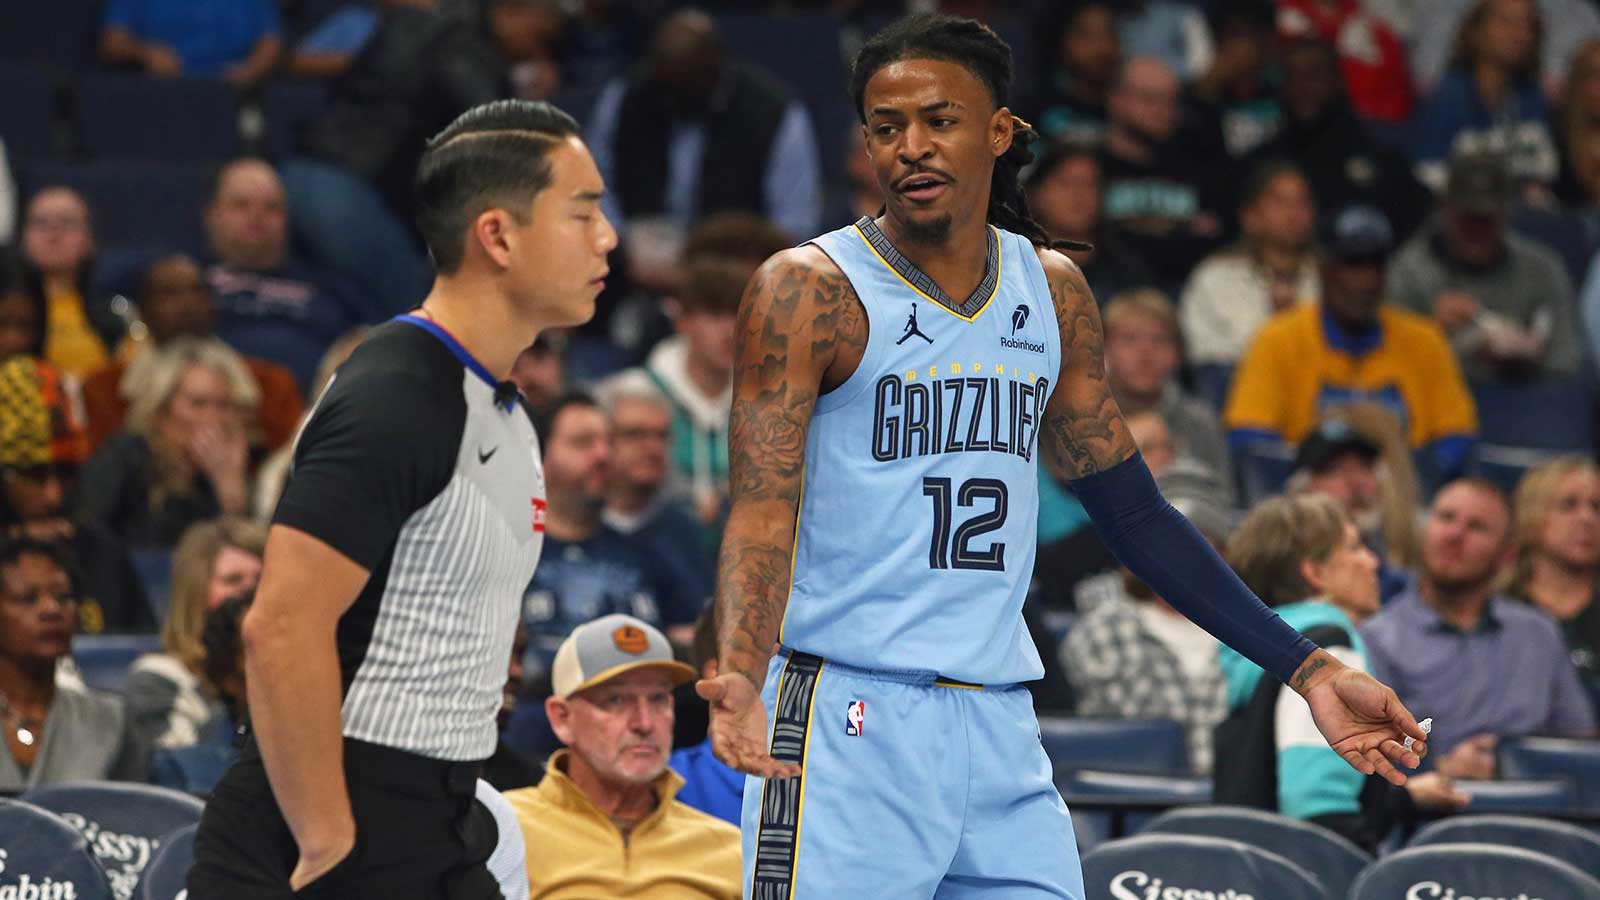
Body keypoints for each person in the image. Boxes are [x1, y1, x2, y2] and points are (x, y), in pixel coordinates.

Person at [697, 15, 1430, 898]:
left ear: (1000, 133)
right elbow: (762, 507)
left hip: (999, 717)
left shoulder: (1051, 291)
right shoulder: (809, 290)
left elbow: (1135, 514)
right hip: (849, 715)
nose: (912, 147)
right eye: (887, 128)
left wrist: (1305, 668)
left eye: (941, 120)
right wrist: (740, 673)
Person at [187, 99, 616, 900]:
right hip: (325, 826)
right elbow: (279, 625)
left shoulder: (506, 413)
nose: (609, 236)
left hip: (439, 818)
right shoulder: (397, 392)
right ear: (497, 235)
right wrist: (326, 834)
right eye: (583, 211)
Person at [1218, 494, 1469, 850]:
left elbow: (1270, 777)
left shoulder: (1259, 649)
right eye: (1354, 548)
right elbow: (1318, 807)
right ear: (1315, 572)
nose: (1373, 561)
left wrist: (1404, 799)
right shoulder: (1324, 648)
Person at [1224, 204, 1479, 481]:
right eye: (1353, 264)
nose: (1367, 279)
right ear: (1324, 268)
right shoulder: (1278, 339)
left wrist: (1411, 477)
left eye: (1376, 264)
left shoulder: (1424, 339)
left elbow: (1458, 433)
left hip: (1405, 501)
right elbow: (1249, 437)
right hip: (1307, 500)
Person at [1362, 479, 1597, 777]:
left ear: (1507, 555)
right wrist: (1442, 769)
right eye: (1446, 517)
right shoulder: (1376, 638)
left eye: (1477, 527)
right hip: (1427, 811)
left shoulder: (1539, 633)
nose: (1455, 534)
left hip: (1535, 806)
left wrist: (1514, 767)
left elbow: (1580, 744)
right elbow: (1370, 758)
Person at [505, 614, 738, 898]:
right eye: (615, 700)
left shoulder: (728, 850)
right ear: (561, 717)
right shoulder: (504, 830)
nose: (644, 723)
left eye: (657, 699)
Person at [586, 9, 823, 241]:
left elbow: (795, 224)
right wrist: (623, 241)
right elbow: (594, 185)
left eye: (687, 83)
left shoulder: (776, 113)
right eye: (668, 86)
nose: (674, 97)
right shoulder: (624, 99)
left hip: (734, 262)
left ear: (716, 67)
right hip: (637, 257)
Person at [520, 393, 697, 671]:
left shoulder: (649, 554)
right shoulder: (514, 551)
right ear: (540, 458)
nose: (603, 454)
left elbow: (692, 644)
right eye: (583, 442)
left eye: (608, 442)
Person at [1386, 151, 1581, 382]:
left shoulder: (1542, 268)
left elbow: (1568, 360)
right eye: (1469, 216)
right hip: (1443, 407)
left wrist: (1529, 359)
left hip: (1529, 404)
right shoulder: (1408, 272)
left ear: (1506, 214)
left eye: (1487, 218)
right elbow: (1392, 370)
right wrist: (1435, 333)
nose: (1477, 229)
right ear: (1445, 208)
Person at [81, 254, 304, 454]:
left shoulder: (271, 386)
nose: (186, 304)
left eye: (197, 291)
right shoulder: (105, 389)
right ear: (144, 310)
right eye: (169, 293)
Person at [203, 158, 374, 394]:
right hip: (211, 405)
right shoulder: (185, 282)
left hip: (314, 411)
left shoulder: (332, 288)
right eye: (241, 205)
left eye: (271, 207)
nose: (257, 216)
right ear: (212, 214)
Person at [76, 338, 259, 550]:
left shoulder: (229, 469)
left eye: (223, 405)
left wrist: (231, 492)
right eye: (198, 404)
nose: (213, 419)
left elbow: (241, 561)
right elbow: (88, 533)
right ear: (161, 410)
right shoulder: (125, 456)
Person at [0, 538, 145, 789]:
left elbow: (135, 820)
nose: (51, 609)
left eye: (63, 597)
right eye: (28, 599)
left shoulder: (112, 720)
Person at [125, 518, 265, 751]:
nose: (252, 595)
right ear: (194, 596)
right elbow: (186, 775)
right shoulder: (157, 681)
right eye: (233, 580)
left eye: (262, 580)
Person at [1180, 160, 1320, 369]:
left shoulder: (1331, 277)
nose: (1293, 213)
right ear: (1250, 216)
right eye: (1279, 202)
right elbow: (1205, 356)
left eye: (1302, 202)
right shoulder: (1216, 277)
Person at [1410, 0, 1559, 194]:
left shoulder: (1531, 97)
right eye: (1506, 22)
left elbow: (1544, 171)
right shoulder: (1447, 97)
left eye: (1527, 25)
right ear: (1475, 32)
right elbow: (1426, 175)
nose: (1519, 34)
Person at [1505, 457, 1600, 713]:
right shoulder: (1495, 608)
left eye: (1597, 507)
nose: (1587, 518)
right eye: (1568, 505)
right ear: (1531, 515)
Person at [18, 187, 121, 379]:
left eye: (67, 223)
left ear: (90, 240)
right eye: (41, 223)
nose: (53, 233)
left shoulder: (114, 319)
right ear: (23, 238)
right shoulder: (9, 311)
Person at [99, 0, 283, 86]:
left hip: (231, 91)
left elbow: (270, 40)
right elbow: (113, 41)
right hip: (161, 90)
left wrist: (251, 70)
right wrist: (144, 52)